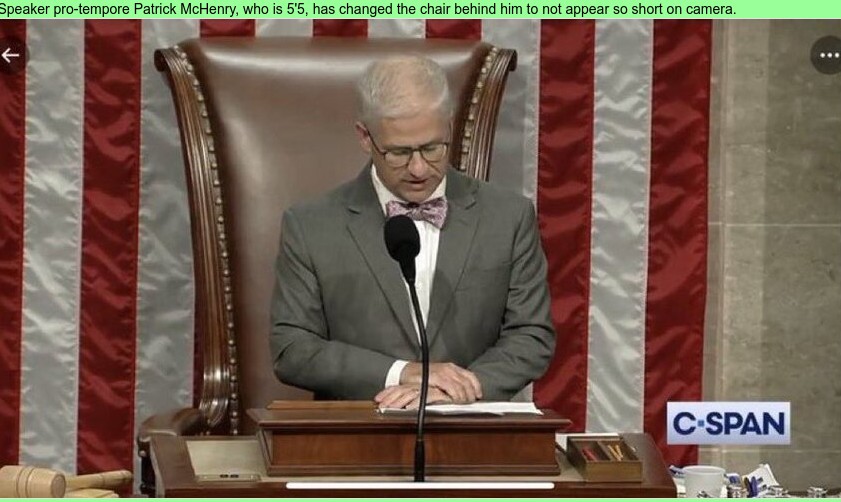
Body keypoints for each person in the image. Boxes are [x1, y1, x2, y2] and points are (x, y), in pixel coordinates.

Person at [270, 54, 555, 409]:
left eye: (432, 148)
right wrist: (403, 373)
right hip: (357, 438)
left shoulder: (509, 217)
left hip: (473, 436)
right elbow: (292, 348)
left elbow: (531, 334)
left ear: (449, 128)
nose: (419, 168)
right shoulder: (310, 226)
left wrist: (457, 389)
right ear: (364, 137)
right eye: (399, 152)